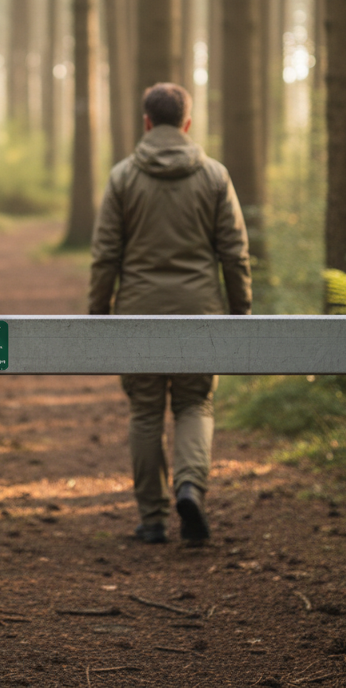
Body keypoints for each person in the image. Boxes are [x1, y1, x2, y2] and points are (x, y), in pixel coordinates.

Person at [89, 82, 251, 545]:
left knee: (144, 411)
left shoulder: (123, 176)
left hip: (137, 312)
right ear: (187, 123)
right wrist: (240, 313)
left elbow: (105, 255)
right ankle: (189, 487)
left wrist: (98, 314)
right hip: (200, 312)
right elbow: (235, 253)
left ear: (145, 122)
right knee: (194, 404)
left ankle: (153, 519)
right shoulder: (215, 176)